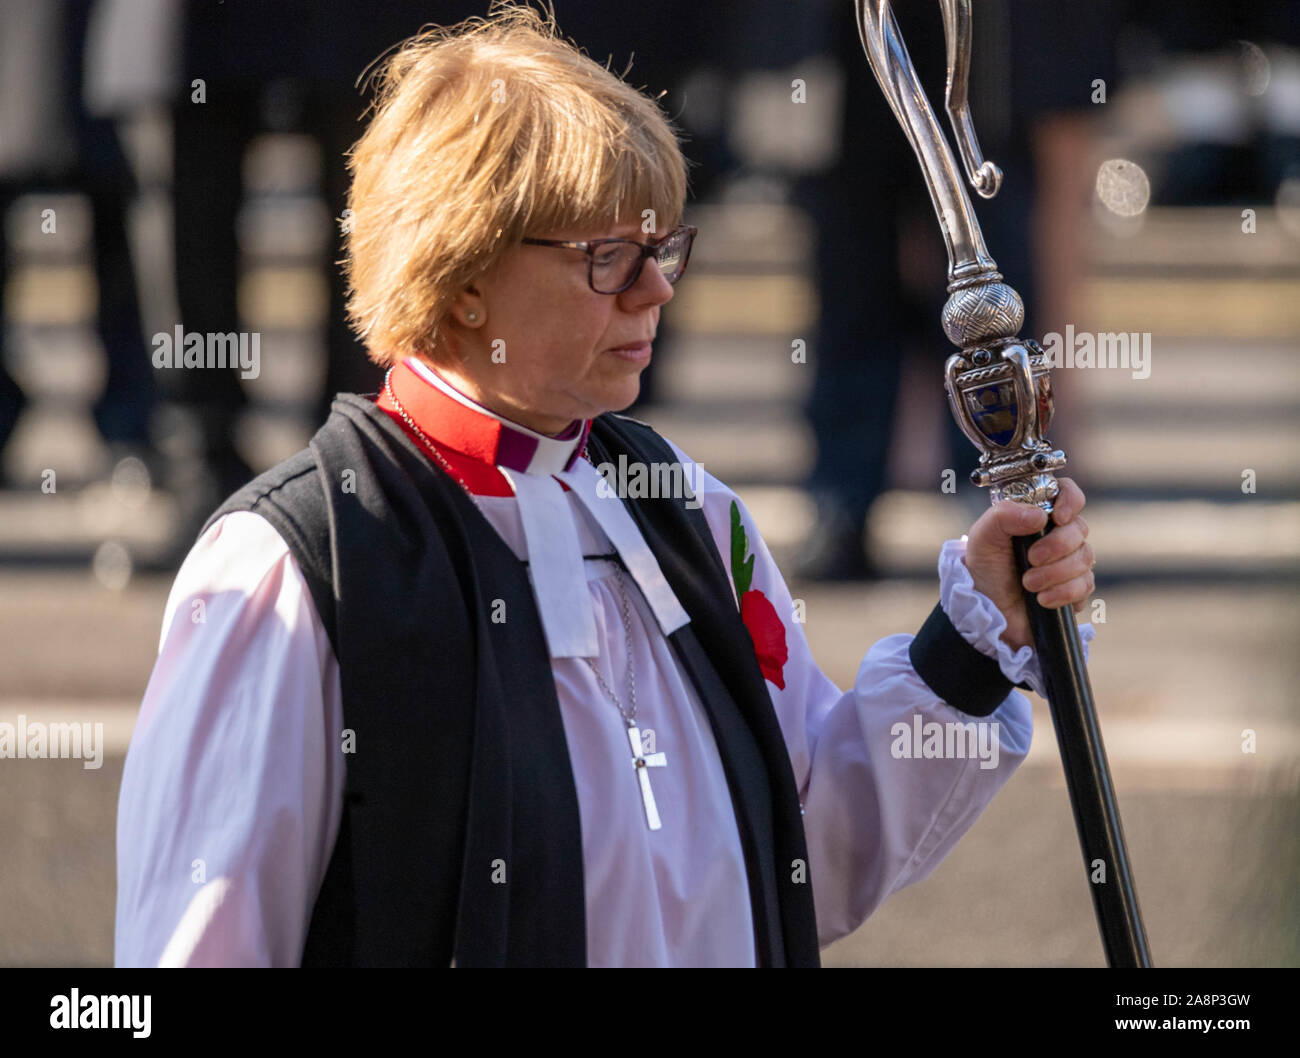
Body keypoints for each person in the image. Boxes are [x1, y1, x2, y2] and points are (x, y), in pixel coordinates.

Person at [114, 4, 1098, 968]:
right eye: (607, 256)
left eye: (662, 246)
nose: (656, 288)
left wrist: (976, 639)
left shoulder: (687, 514)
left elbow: (799, 855)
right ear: (460, 276)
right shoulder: (294, 566)